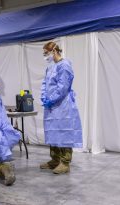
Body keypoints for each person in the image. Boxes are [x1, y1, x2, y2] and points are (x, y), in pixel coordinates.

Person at [39, 42, 83, 174]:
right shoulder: (50, 67)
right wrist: (44, 97)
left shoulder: (64, 66)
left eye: (46, 53)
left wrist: (52, 99)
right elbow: (45, 83)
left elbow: (62, 88)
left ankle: (65, 162)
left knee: (64, 132)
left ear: (54, 51)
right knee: (53, 131)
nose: (45, 56)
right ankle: (55, 159)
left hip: (62, 104)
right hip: (51, 106)